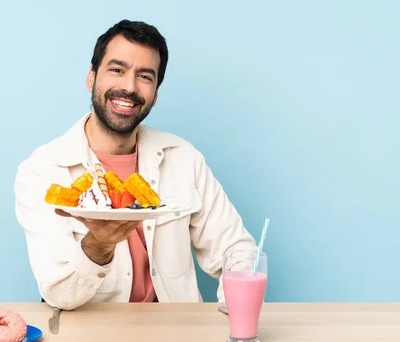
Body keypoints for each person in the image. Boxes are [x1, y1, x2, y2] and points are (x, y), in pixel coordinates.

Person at [14, 19, 257, 310]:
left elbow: (236, 249)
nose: (129, 87)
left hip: (175, 337)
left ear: (155, 95)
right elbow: (59, 295)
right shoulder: (42, 170)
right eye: (117, 70)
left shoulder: (183, 157)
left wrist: (237, 314)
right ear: (91, 78)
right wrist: (99, 246)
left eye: (145, 76)